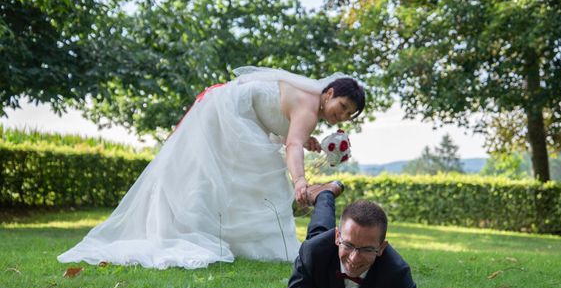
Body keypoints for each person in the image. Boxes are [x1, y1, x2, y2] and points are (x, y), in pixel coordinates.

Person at [57, 67, 365, 269]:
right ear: (328, 94)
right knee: (257, 173)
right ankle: (213, 234)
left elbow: (278, 121)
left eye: (348, 114)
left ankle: (239, 238)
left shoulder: (309, 103)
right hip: (227, 111)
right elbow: (293, 145)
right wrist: (299, 180)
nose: (342, 116)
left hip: (236, 112)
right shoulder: (309, 107)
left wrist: (298, 138)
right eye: (342, 107)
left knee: (257, 173)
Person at [277, 181, 430, 288]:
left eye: (367, 249)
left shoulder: (396, 270)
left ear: (382, 248)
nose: (354, 258)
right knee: (319, 232)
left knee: (321, 235)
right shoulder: (313, 253)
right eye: (349, 245)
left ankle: (325, 196)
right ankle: (325, 195)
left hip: (330, 248)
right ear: (337, 237)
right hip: (324, 248)